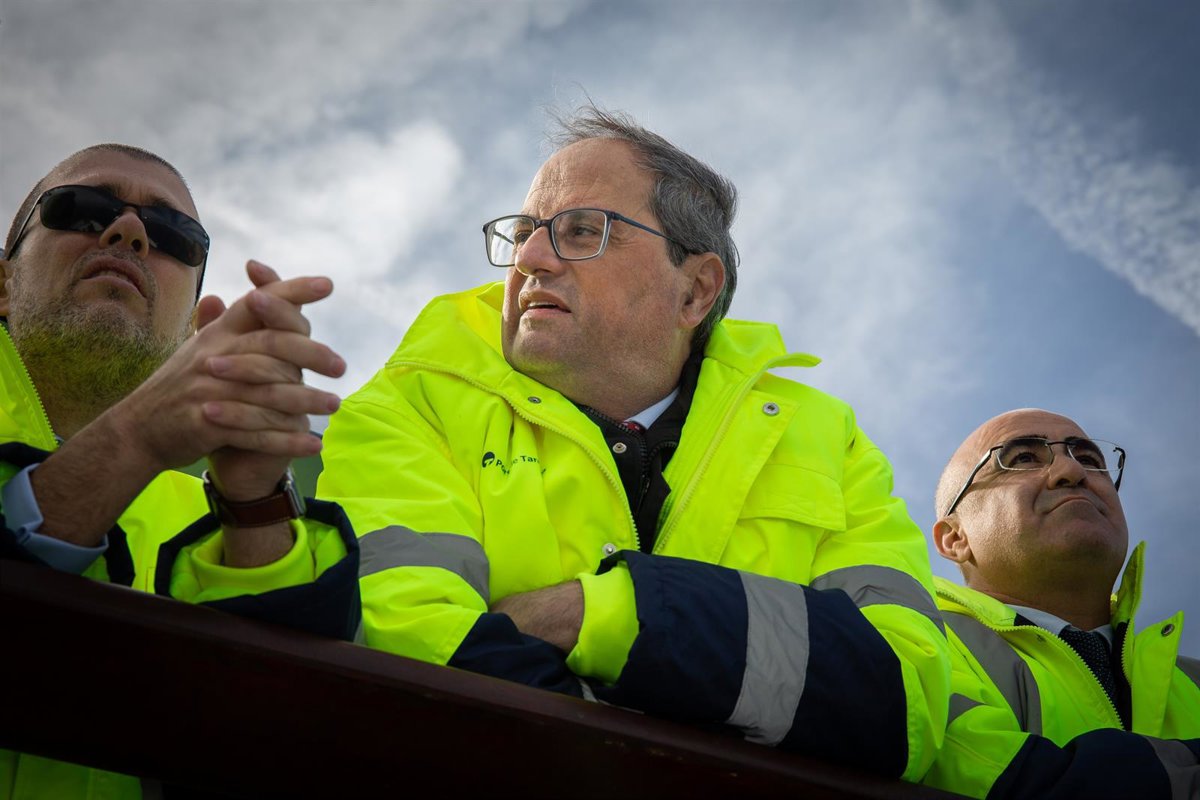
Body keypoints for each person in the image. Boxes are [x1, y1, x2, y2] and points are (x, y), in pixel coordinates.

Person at [318, 106, 949, 780]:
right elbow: (404, 653)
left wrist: (602, 613)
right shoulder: (414, 400)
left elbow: (904, 703)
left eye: (583, 232)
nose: (530, 260)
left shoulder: (823, 436)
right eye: (525, 233)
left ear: (695, 292)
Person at [0, 143, 360, 797]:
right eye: (81, 209)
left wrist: (253, 499)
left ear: (192, 331)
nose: (128, 232)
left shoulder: (207, 517)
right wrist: (133, 436)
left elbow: (284, 738)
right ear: (3, 284)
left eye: (173, 235)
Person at [921, 408, 1200, 798]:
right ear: (955, 538)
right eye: (1023, 458)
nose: (1072, 471)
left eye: (1088, 459)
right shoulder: (916, 651)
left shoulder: (1193, 680)